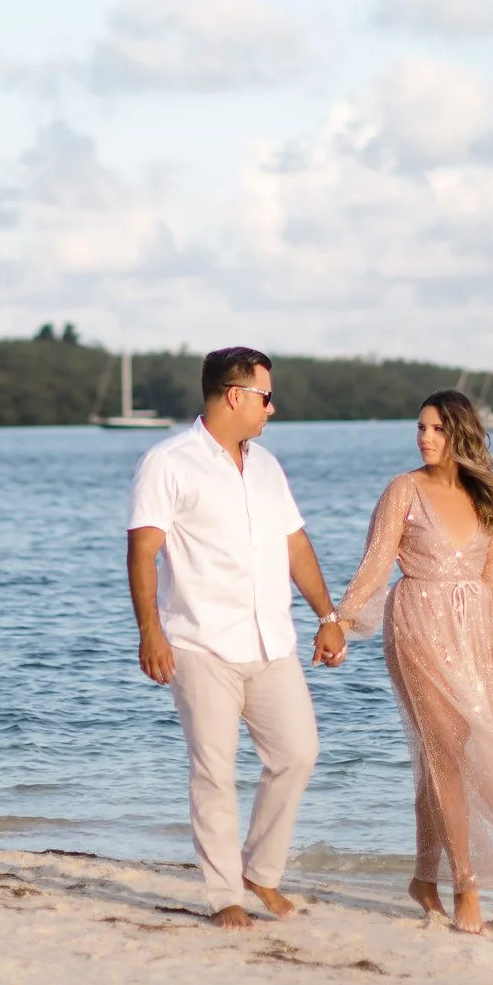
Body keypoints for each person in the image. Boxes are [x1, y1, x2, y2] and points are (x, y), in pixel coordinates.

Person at [336, 389, 493, 932]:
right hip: (417, 627)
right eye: (420, 428)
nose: (425, 438)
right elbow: (376, 565)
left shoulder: (488, 502)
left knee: (460, 752)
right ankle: (466, 886)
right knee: (451, 750)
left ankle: (424, 878)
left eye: (436, 429)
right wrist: (339, 621)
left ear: (460, 433)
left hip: (475, 633)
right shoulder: (402, 490)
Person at [127, 346, 348, 929]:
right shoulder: (168, 461)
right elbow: (143, 550)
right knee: (214, 771)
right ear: (235, 395)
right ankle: (226, 894)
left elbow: (294, 544)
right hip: (200, 643)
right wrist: (150, 631)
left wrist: (328, 614)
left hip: (272, 641)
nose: (272, 408)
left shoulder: (269, 466)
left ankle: (260, 872)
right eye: (266, 396)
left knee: (298, 753)